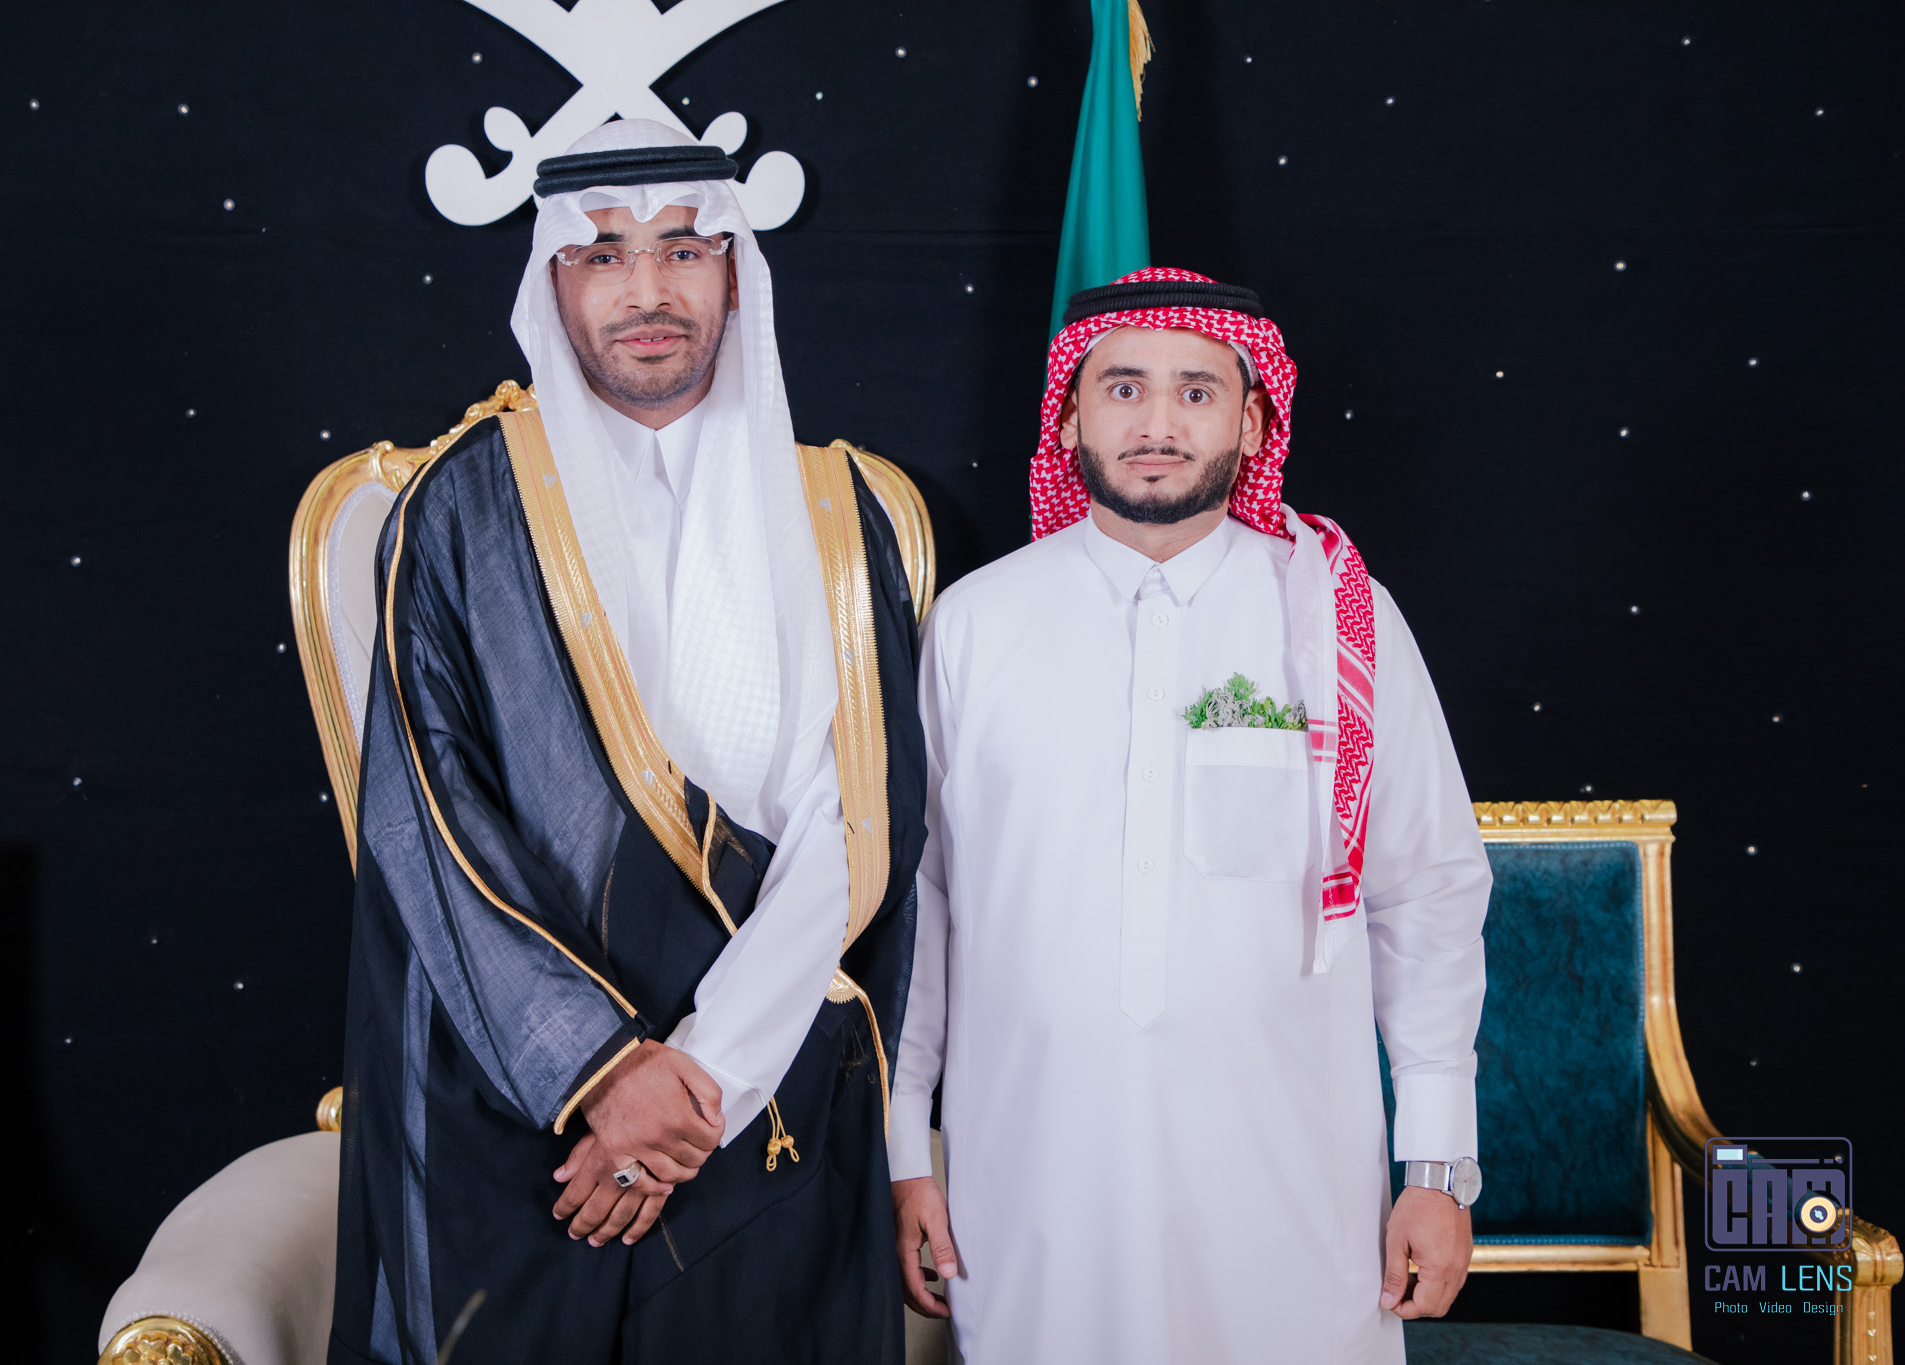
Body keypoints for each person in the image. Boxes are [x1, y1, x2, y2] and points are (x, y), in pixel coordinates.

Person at [329, 119, 925, 1365]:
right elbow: (423, 817)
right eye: (601, 255)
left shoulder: (836, 510)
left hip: (766, 1095)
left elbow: (861, 821)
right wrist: (598, 1071)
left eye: (681, 250)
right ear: (551, 283)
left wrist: (703, 1079)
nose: (646, 290)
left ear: (734, 273)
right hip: (525, 1117)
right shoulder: (461, 506)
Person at [890, 268, 1491, 1362]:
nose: (1157, 423)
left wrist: (1438, 1169)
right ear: (1068, 415)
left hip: (1293, 1186)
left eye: (1197, 391)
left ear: (1253, 421)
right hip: (1030, 1181)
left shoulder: (1340, 617)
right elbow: (919, 903)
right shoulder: (975, 625)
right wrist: (903, 1151)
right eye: (1122, 388)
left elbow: (1427, 893)